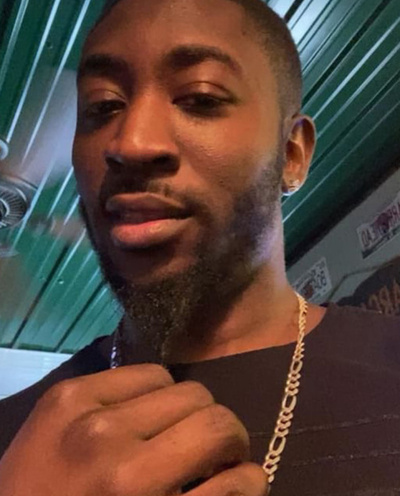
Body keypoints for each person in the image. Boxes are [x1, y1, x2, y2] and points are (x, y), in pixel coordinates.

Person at [1, 0, 400, 494]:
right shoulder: (13, 444)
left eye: (200, 98)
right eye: (102, 106)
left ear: (292, 154)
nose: (130, 143)